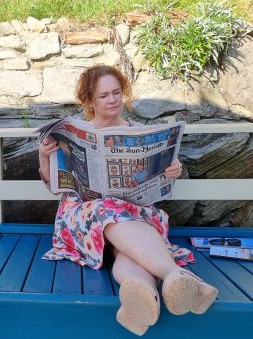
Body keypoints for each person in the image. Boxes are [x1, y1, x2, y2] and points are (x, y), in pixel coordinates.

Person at [38, 65, 217, 336]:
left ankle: (140, 297)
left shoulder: (139, 132)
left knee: (125, 247)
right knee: (105, 209)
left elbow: (159, 183)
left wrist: (173, 171)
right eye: (103, 95)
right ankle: (175, 275)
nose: (112, 100)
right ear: (89, 101)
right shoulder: (74, 133)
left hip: (134, 214)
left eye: (116, 92)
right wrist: (44, 155)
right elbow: (53, 183)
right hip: (84, 214)